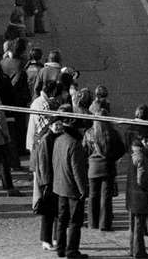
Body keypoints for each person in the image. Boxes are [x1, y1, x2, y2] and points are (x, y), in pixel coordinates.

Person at [53, 106, 90, 258]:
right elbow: (78, 171)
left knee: (62, 219)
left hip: (60, 185)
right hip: (72, 188)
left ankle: (60, 248)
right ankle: (72, 250)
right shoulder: (75, 144)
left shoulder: (59, 140)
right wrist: (83, 190)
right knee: (75, 221)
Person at [85, 100, 126, 232]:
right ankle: (105, 224)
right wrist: (113, 158)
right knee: (106, 197)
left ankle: (92, 222)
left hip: (93, 168)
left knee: (93, 195)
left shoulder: (90, 133)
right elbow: (121, 149)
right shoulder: (113, 133)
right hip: (108, 167)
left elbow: (84, 150)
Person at [126, 113, 148, 258]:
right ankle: (139, 252)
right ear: (144, 141)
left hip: (132, 196)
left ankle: (133, 249)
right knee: (139, 225)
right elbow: (142, 180)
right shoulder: (141, 157)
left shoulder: (134, 153)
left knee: (134, 225)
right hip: (140, 197)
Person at [32, 107, 63, 252]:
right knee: (48, 213)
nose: (59, 126)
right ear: (50, 126)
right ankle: (45, 240)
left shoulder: (59, 137)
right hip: (49, 181)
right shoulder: (46, 140)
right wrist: (45, 183)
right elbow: (43, 163)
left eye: (60, 124)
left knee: (57, 211)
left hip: (58, 180)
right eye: (56, 124)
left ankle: (56, 238)